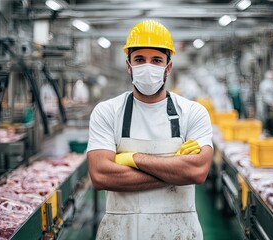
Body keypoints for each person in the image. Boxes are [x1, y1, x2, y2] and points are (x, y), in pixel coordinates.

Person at [86, 20, 214, 239]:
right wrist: (175, 169)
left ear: (168, 67)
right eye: (139, 60)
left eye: (156, 60)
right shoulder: (107, 112)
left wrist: (132, 158)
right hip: (121, 232)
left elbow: (197, 172)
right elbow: (100, 175)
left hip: (179, 232)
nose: (148, 67)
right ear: (129, 66)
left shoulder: (193, 112)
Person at [256, 70, 273, 135]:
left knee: (268, 119)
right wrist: (272, 103)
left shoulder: (268, 83)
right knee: (263, 119)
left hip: (268, 105)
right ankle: (264, 132)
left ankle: (266, 132)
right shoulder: (266, 84)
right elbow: (266, 95)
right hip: (264, 105)